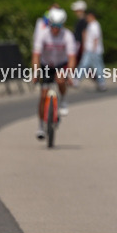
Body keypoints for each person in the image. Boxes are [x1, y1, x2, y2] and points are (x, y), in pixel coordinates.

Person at [31, 7, 77, 136]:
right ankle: (40, 126)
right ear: (49, 24)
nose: (55, 29)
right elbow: (36, 55)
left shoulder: (67, 35)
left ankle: (63, 100)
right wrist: (35, 72)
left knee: (61, 79)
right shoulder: (43, 34)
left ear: (62, 25)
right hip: (46, 65)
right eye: (53, 25)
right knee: (43, 95)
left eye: (58, 26)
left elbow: (72, 58)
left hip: (61, 64)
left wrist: (70, 74)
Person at [77, 9, 106, 91]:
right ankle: (77, 79)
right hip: (90, 50)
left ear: (92, 16)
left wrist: (93, 50)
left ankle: (101, 82)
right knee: (85, 64)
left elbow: (95, 39)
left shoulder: (95, 25)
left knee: (97, 67)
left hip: (93, 51)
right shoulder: (90, 25)